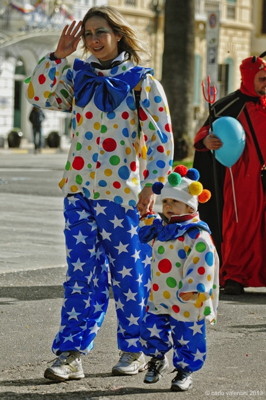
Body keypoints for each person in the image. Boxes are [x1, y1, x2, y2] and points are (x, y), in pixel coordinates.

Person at [25, 6, 173, 381]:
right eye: (88, 34)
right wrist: (59, 56)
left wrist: (152, 187)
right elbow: (39, 95)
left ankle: (135, 349)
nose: (93, 40)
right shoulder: (77, 77)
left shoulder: (141, 82)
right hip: (78, 191)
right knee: (81, 274)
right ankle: (71, 354)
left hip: (123, 196)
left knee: (129, 274)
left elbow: (161, 141)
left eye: (100, 32)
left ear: (118, 35)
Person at [138, 165, 219, 392]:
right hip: (160, 294)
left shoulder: (196, 233)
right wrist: (146, 216)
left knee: (187, 335)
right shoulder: (163, 228)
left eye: (175, 202)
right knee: (152, 328)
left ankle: (185, 370)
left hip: (186, 297)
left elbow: (203, 262)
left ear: (190, 205)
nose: (168, 206)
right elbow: (147, 236)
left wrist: (194, 287)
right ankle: (156, 358)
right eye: (166, 202)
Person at [194, 54, 266, 295]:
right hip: (239, 182)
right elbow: (204, 134)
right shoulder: (227, 106)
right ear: (248, 78)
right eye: (262, 79)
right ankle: (234, 275)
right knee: (240, 227)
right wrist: (206, 139)